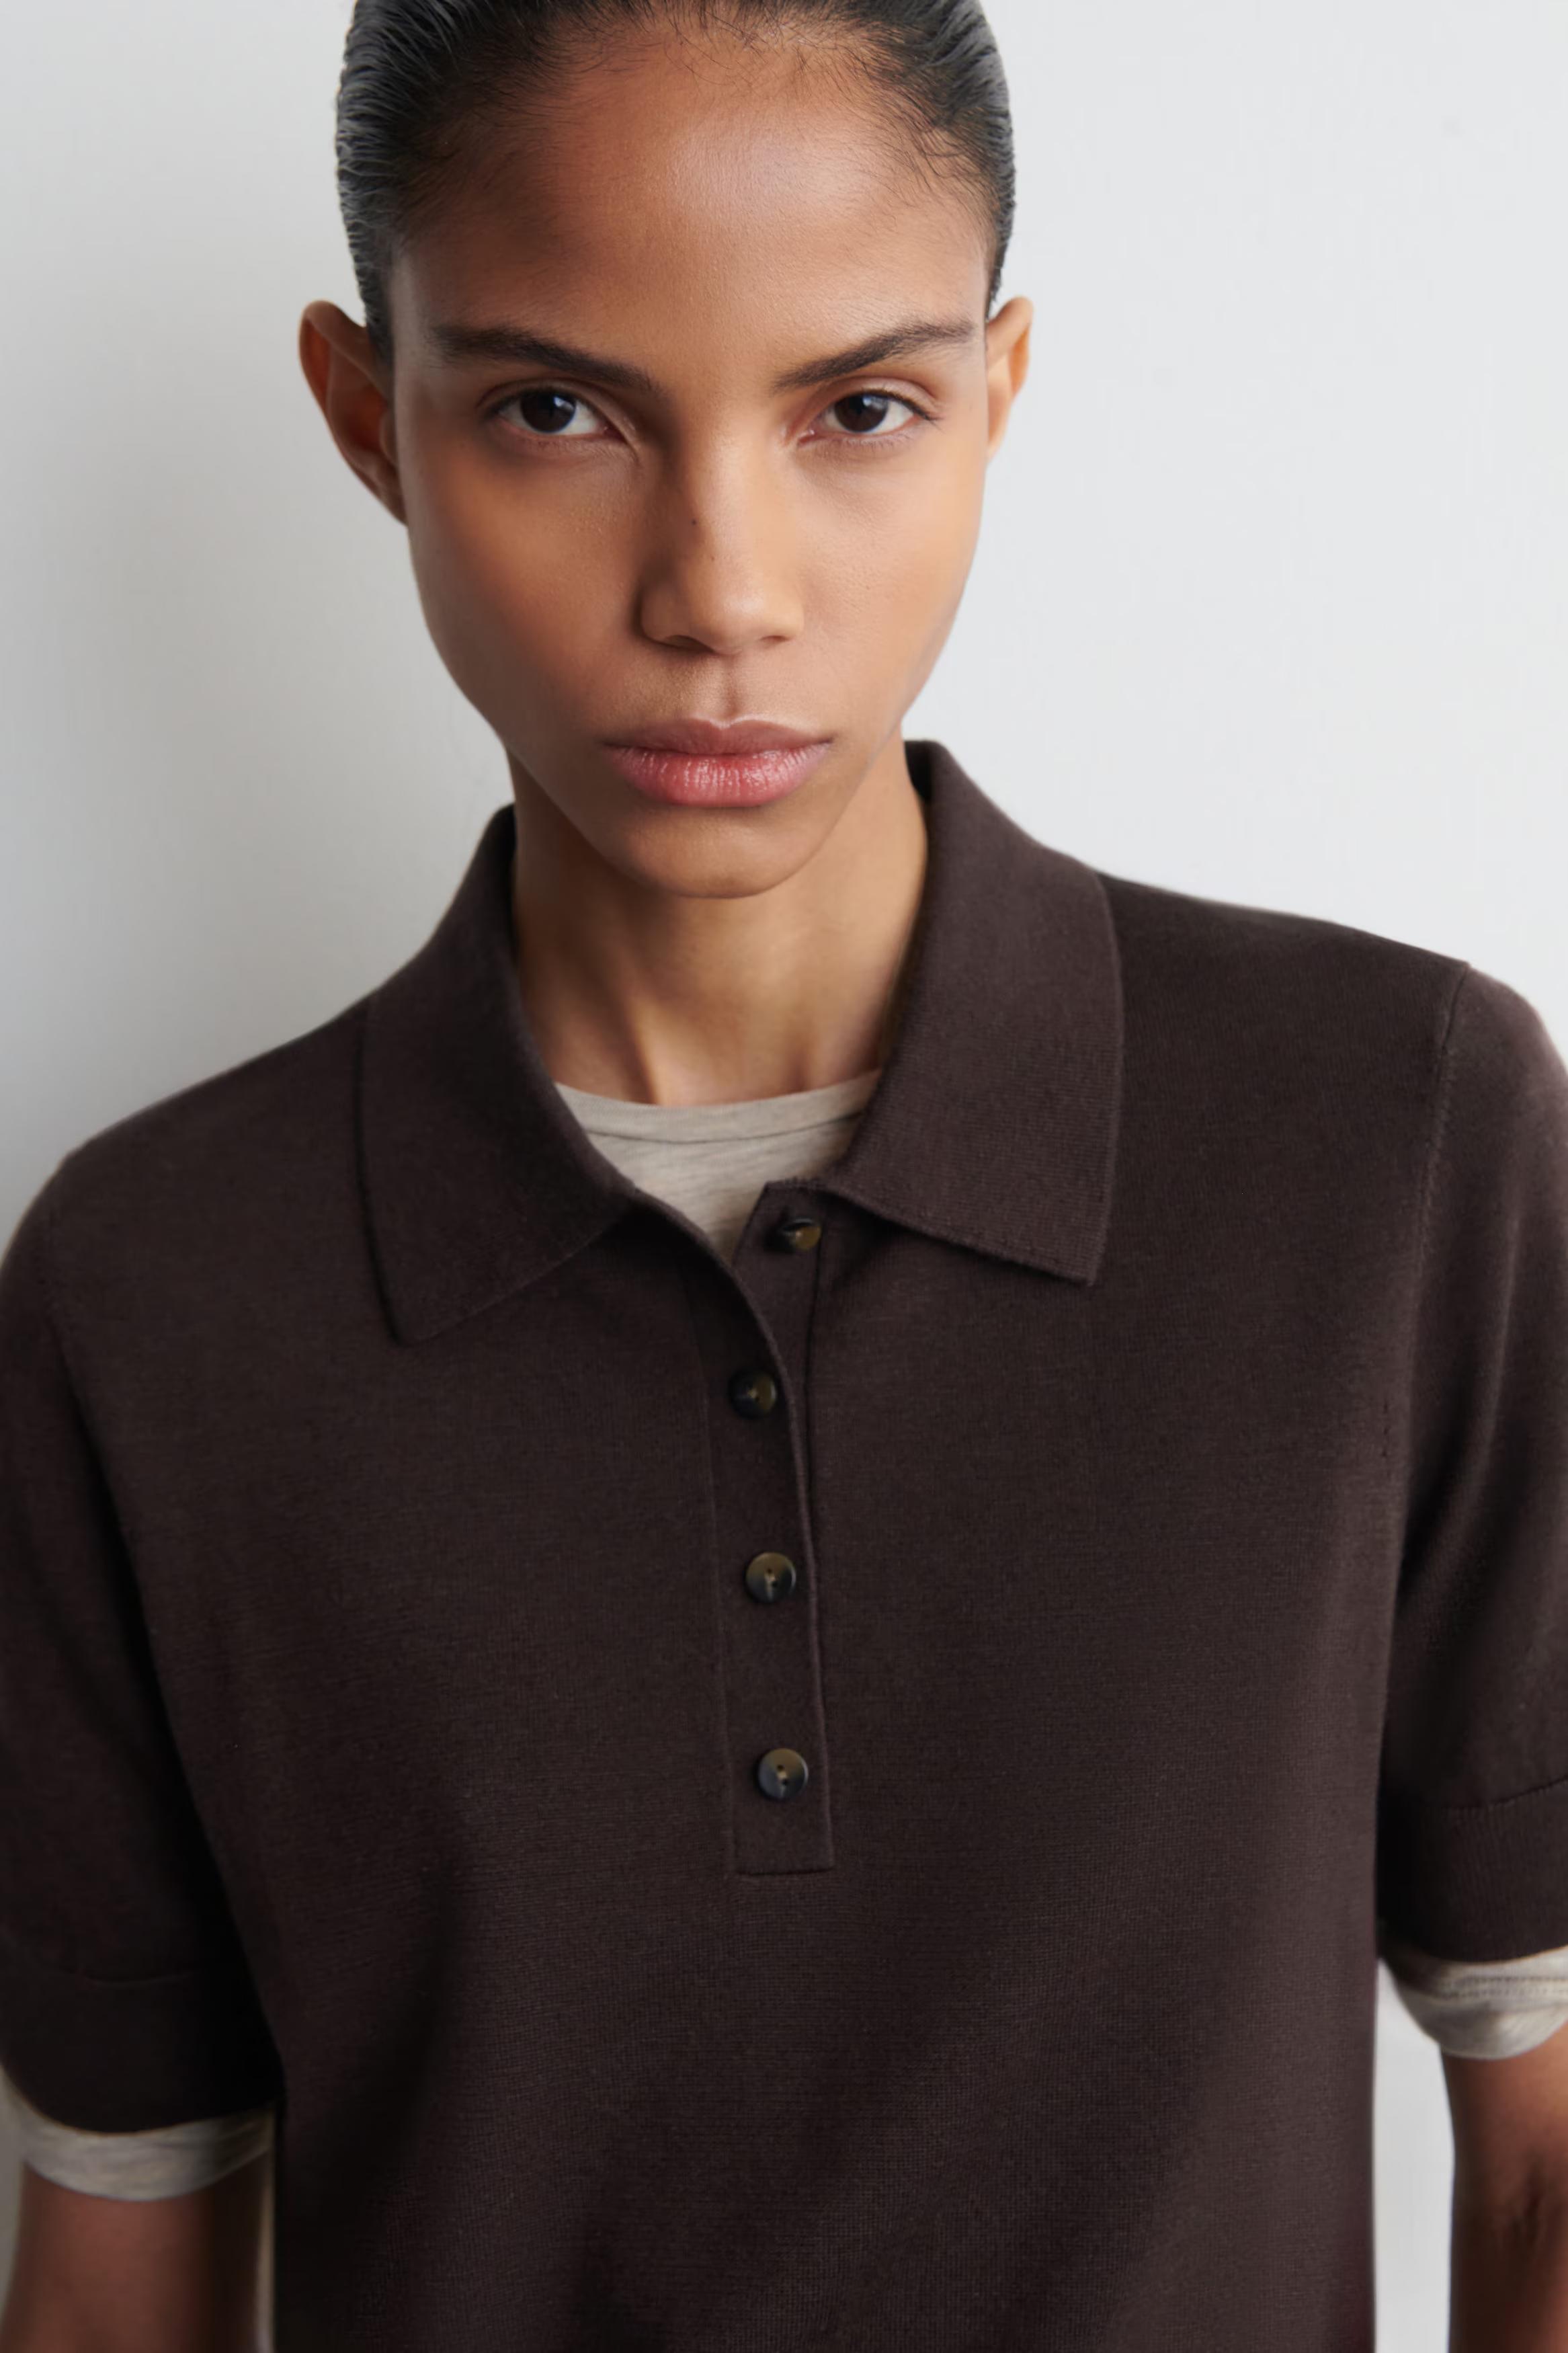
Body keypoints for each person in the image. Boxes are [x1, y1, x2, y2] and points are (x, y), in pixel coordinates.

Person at [1, 1, 1567, 2346]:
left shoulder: (1400, 1141)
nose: (722, 591)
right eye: (559, 412)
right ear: (365, 414)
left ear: (998, 393)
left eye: (858, 410)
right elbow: (113, 2296)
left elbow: (1550, 2163)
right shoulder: (151, 1302)